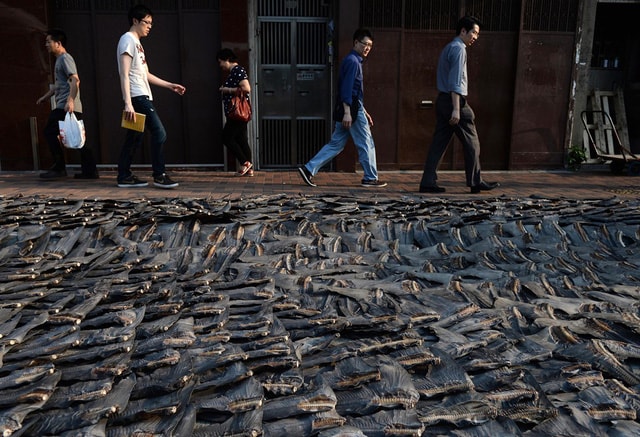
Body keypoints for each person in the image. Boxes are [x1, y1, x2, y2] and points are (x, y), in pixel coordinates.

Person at [419, 16, 499, 194]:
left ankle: (427, 181)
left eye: (477, 34)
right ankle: (475, 181)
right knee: (472, 143)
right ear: (463, 31)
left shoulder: (449, 47)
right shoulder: (459, 49)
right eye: (474, 33)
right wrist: (456, 109)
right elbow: (455, 82)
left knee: (439, 143)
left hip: (443, 100)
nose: (475, 37)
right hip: (454, 102)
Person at [298, 28, 386, 188]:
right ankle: (370, 178)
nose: (367, 48)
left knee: (336, 144)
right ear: (356, 43)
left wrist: (363, 111)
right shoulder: (353, 62)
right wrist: (349, 112)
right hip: (351, 109)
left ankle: (309, 168)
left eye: (370, 45)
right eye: (365, 44)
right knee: (366, 142)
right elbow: (347, 89)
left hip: (351, 108)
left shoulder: (352, 60)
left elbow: (353, 91)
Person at [116, 4, 185, 188]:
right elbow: (124, 73)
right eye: (147, 22)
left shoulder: (137, 44)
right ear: (135, 21)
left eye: (151, 23)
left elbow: (145, 74)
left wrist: (170, 85)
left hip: (141, 94)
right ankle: (159, 174)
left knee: (134, 137)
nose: (149, 26)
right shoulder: (127, 40)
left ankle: (124, 175)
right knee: (159, 133)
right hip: (137, 97)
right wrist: (128, 103)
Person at [36, 29, 98, 179]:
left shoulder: (65, 58)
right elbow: (59, 85)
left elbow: (75, 80)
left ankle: (59, 168)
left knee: (51, 132)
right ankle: (89, 171)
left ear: (58, 43)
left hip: (67, 106)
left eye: (48, 42)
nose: (46, 45)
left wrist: (70, 101)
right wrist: (45, 96)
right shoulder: (59, 60)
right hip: (65, 105)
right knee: (77, 137)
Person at [217, 48, 254, 177]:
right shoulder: (235, 71)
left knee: (226, 138)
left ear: (227, 59)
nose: (220, 65)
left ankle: (245, 163)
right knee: (241, 139)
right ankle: (249, 168)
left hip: (237, 112)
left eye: (221, 62)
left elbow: (246, 88)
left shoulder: (237, 70)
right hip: (237, 112)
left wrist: (226, 89)